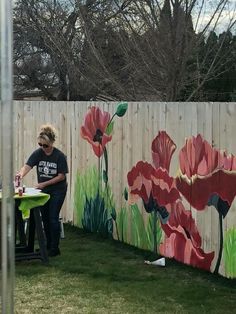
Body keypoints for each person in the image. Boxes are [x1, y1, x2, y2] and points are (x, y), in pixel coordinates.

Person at [17, 124, 68, 257]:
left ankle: (54, 248)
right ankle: (47, 246)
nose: (43, 148)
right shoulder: (38, 153)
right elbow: (27, 166)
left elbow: (61, 176)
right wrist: (20, 175)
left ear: (51, 143)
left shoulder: (59, 156)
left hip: (58, 190)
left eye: (45, 145)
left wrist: (43, 184)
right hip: (44, 190)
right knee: (44, 218)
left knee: (52, 218)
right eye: (40, 144)